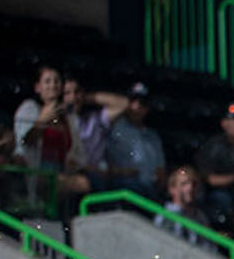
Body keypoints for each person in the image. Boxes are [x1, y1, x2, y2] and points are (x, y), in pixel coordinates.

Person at [12, 65, 90, 201]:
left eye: (56, 81)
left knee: (85, 183)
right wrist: (42, 120)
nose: (53, 85)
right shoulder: (29, 108)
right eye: (47, 81)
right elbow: (24, 143)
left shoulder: (69, 117)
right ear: (38, 87)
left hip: (61, 172)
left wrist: (74, 162)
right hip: (36, 172)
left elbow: (77, 151)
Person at [104, 83, 166, 199]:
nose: (137, 107)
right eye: (133, 101)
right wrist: (120, 172)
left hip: (149, 189)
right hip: (121, 187)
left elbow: (161, 171)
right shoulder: (112, 127)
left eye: (143, 103)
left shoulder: (153, 137)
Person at [153, 165, 215, 250]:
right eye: (184, 184)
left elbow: (209, 247)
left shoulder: (200, 216)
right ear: (172, 189)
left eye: (194, 184)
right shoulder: (166, 215)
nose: (190, 188)